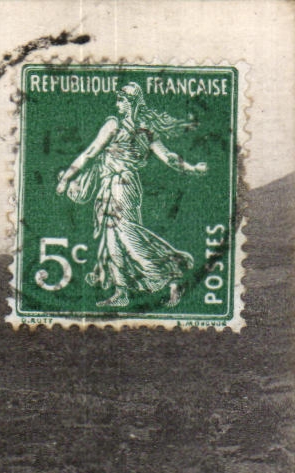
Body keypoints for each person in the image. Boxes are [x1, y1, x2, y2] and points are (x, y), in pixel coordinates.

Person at [55, 82, 209, 307]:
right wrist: (192, 168)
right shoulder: (147, 129)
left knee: (127, 236)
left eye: (121, 99)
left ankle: (170, 275)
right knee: (113, 241)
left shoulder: (114, 125)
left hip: (120, 186)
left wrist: (66, 178)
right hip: (121, 186)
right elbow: (170, 158)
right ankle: (122, 292)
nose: (117, 104)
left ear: (130, 103)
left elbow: (89, 154)